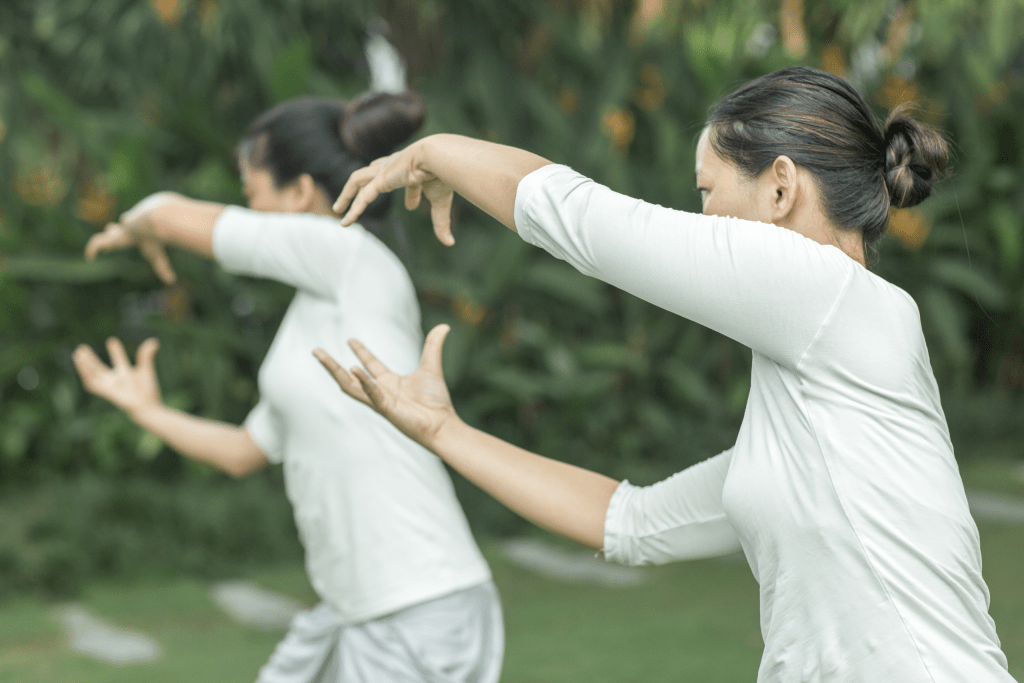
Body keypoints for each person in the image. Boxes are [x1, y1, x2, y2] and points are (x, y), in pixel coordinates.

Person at [314, 67, 1015, 682]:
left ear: (780, 187)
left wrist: (433, 151)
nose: (699, 216)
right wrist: (442, 430)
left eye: (708, 191)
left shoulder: (831, 294)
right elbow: (629, 522)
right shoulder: (814, 405)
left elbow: (584, 223)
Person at [72, 92, 503, 683]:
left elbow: (172, 214)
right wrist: (148, 411)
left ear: (301, 193)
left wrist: (134, 225)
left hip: (419, 603)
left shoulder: (351, 257)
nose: (246, 209)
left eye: (251, 193)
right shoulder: (309, 325)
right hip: (353, 612)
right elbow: (242, 452)